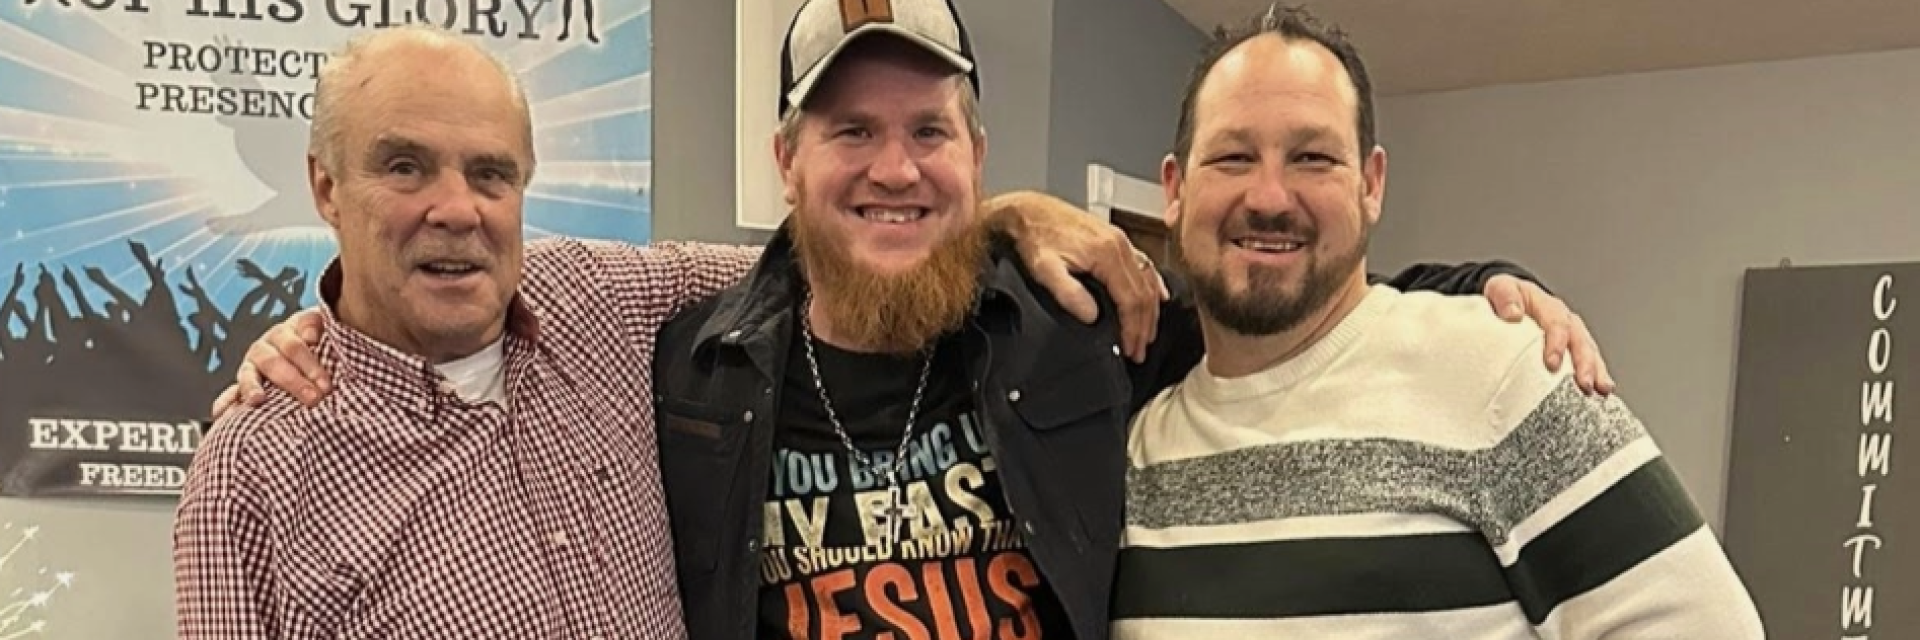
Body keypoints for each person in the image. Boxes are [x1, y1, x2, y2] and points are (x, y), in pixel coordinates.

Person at [224, 1, 1615, 638]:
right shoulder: (685, 349)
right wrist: (319, 328)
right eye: (851, 130)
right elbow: (433, 278)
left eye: (928, 132)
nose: (893, 167)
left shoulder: (1079, 323)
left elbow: (1281, 310)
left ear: (975, 154)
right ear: (787, 161)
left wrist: (1463, 293)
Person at [172, 24, 1148, 639]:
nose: (456, 209)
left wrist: (1002, 218)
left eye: (491, 173)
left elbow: (839, 252)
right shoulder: (251, 477)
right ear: (324, 187)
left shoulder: (596, 299)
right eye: (404, 167)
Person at [1108, 6, 1764, 639]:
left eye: (1313, 158)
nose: (1270, 197)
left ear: (1371, 184)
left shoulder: (1500, 371)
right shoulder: (1131, 445)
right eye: (1233, 158)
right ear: (1175, 190)